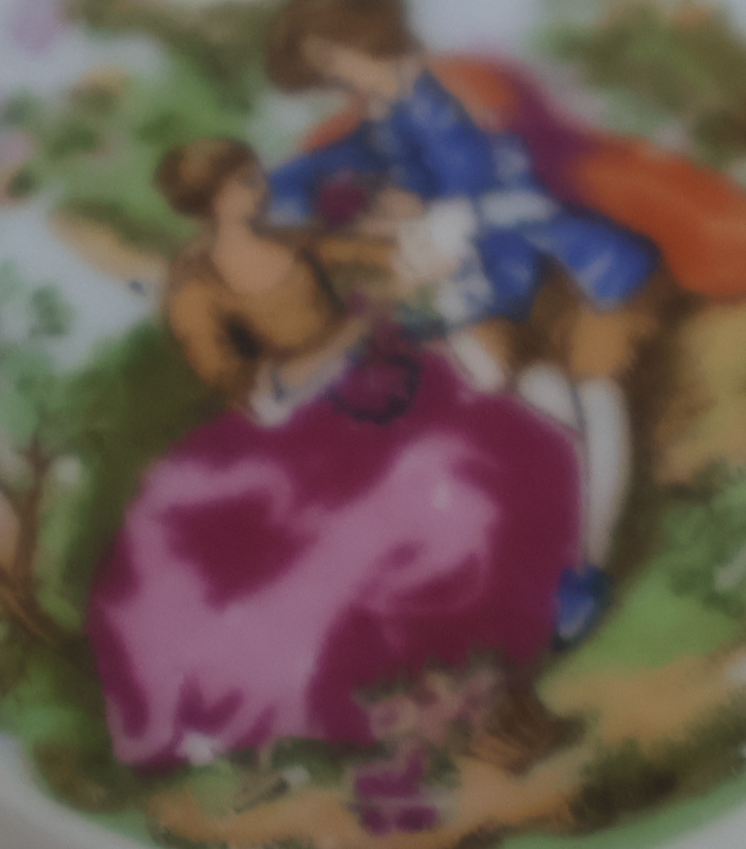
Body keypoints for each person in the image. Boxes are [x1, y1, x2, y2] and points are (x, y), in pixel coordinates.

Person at [262, 0, 746, 644]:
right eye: (319, 66)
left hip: (575, 262)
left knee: (593, 391)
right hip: (497, 277)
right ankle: (589, 513)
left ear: (362, 37)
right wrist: (269, 194)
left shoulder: (447, 98)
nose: (330, 77)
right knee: (505, 380)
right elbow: (333, 167)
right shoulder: (387, 114)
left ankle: (589, 567)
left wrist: (449, 218)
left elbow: (520, 193)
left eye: (329, 57)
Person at [85, 138, 582, 776]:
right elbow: (242, 388)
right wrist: (347, 334)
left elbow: (355, 254)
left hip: (379, 376)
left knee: (483, 457)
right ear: (213, 201)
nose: (259, 188)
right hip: (293, 425)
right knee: (355, 534)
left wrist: (414, 258)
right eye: (244, 182)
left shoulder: (288, 240)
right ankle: (437, 710)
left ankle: (503, 681)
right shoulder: (195, 289)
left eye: (254, 176)